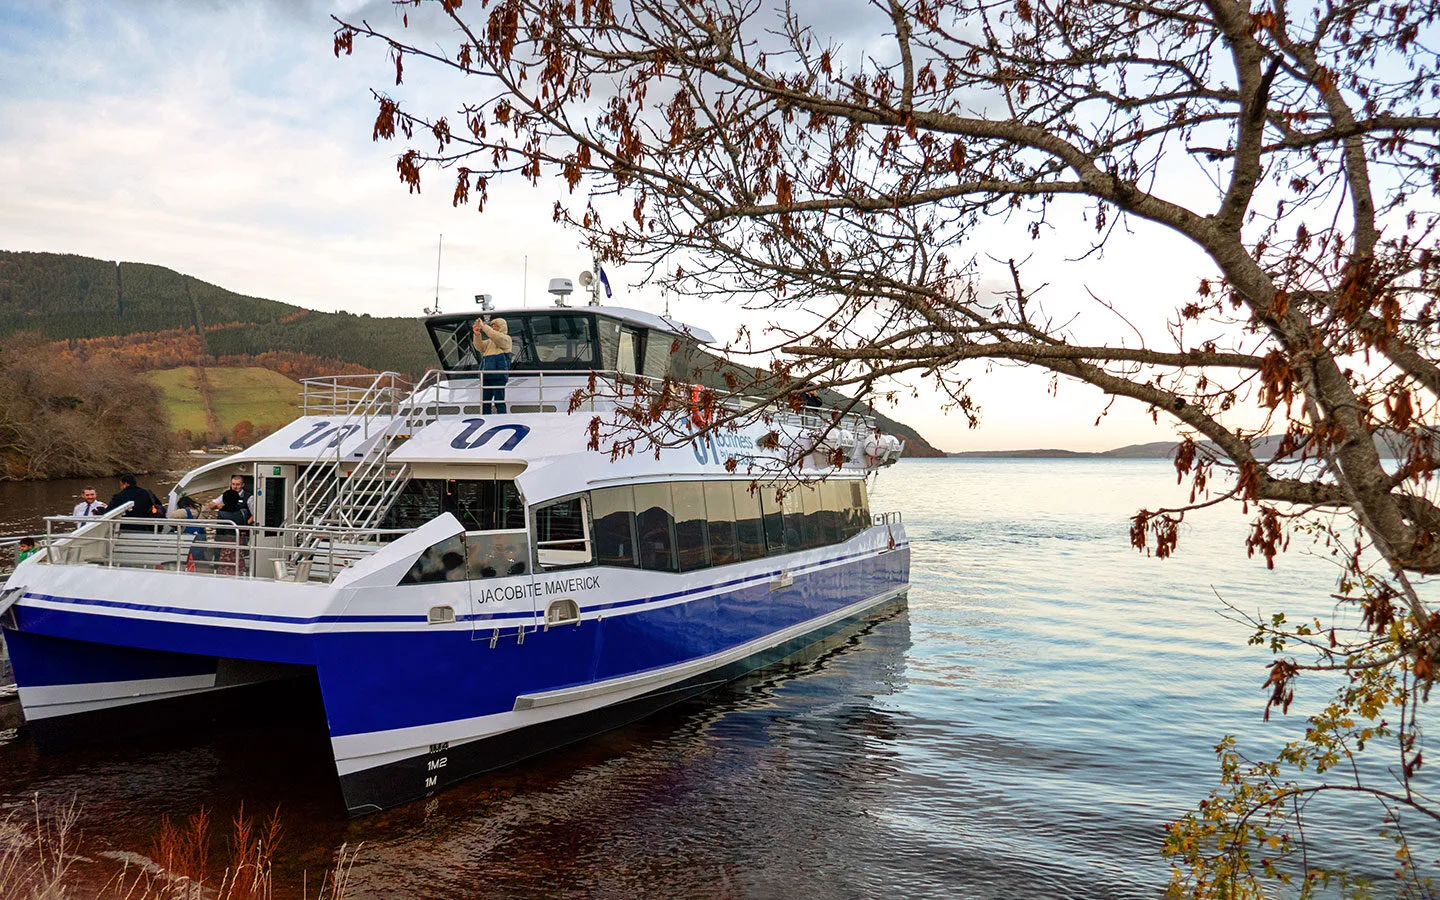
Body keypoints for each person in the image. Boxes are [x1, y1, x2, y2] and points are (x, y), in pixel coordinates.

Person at [473, 316, 513, 414]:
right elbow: (479, 347)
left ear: (501, 327)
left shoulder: (506, 339)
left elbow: (495, 336)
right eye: (493, 326)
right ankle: (485, 417)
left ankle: (502, 417)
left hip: (499, 375)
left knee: (499, 401)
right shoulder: (490, 342)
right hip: (487, 375)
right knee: (485, 401)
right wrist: (477, 334)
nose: (493, 328)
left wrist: (484, 326)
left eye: (495, 326)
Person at [169, 495, 209, 565]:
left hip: (188, 540)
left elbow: (172, 517)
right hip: (200, 538)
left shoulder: (186, 511)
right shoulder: (202, 510)